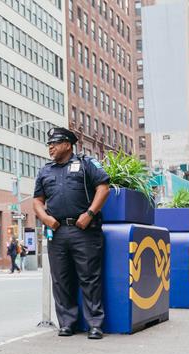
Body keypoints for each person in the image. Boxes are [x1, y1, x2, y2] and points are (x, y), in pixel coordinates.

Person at [33, 127, 111, 339]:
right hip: (57, 232)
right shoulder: (45, 171)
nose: (50, 147)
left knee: (90, 278)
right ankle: (67, 323)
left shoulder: (86, 164)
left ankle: (95, 324)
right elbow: (37, 200)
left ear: (67, 144)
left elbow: (103, 187)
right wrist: (45, 218)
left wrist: (90, 213)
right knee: (61, 279)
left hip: (83, 230)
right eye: (49, 144)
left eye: (54, 143)